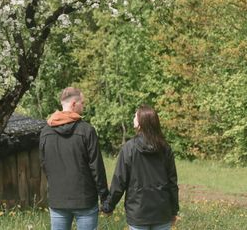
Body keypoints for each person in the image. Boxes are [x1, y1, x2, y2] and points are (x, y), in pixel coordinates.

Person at [39, 87, 109, 230]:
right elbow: (97, 167)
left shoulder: (45, 132)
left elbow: (44, 164)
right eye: (81, 103)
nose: (83, 106)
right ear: (73, 104)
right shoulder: (87, 130)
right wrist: (105, 198)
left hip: (58, 199)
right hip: (85, 200)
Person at [104, 105, 179, 230]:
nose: (133, 118)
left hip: (138, 212)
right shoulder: (165, 148)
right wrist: (174, 210)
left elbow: (119, 181)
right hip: (161, 211)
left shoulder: (129, 148)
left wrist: (108, 206)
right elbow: (172, 182)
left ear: (140, 122)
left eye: (135, 116)